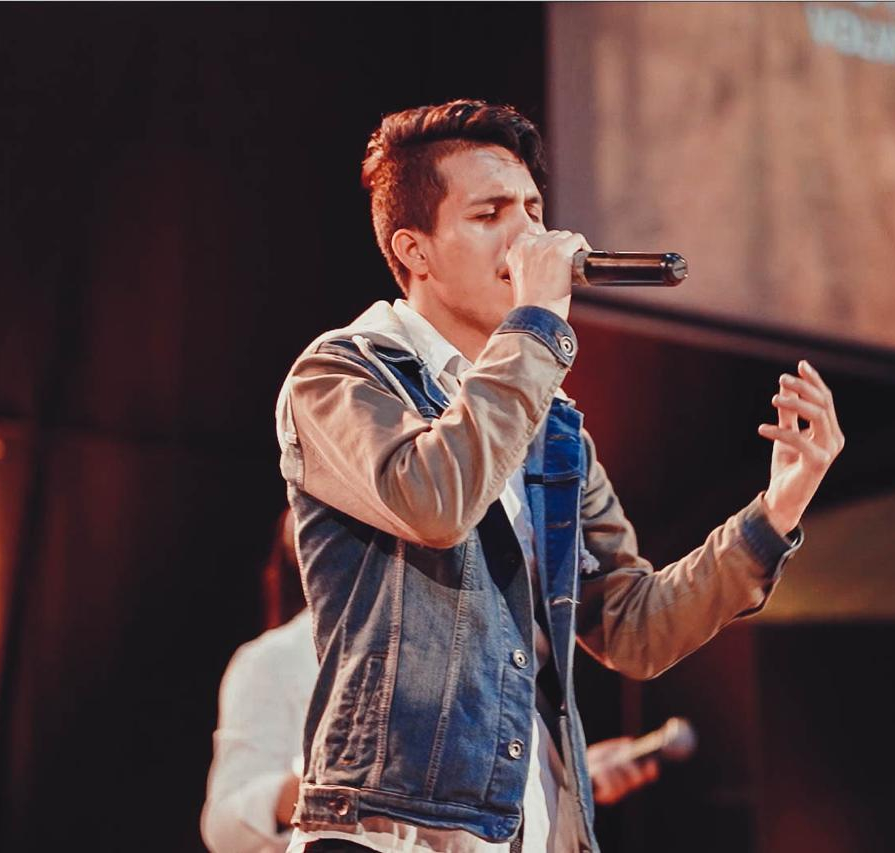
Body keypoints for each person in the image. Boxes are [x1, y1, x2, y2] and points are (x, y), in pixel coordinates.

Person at [273, 99, 843, 853]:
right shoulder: (341, 373)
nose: (528, 236)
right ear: (415, 250)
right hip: (390, 832)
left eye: (535, 211)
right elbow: (435, 500)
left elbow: (635, 627)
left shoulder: (549, 425)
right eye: (490, 214)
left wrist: (778, 508)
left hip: (532, 831)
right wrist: (537, 324)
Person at [201, 512, 662, 853]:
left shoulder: (489, 635)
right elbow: (225, 825)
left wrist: (561, 778)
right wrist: (348, 778)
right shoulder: (274, 660)